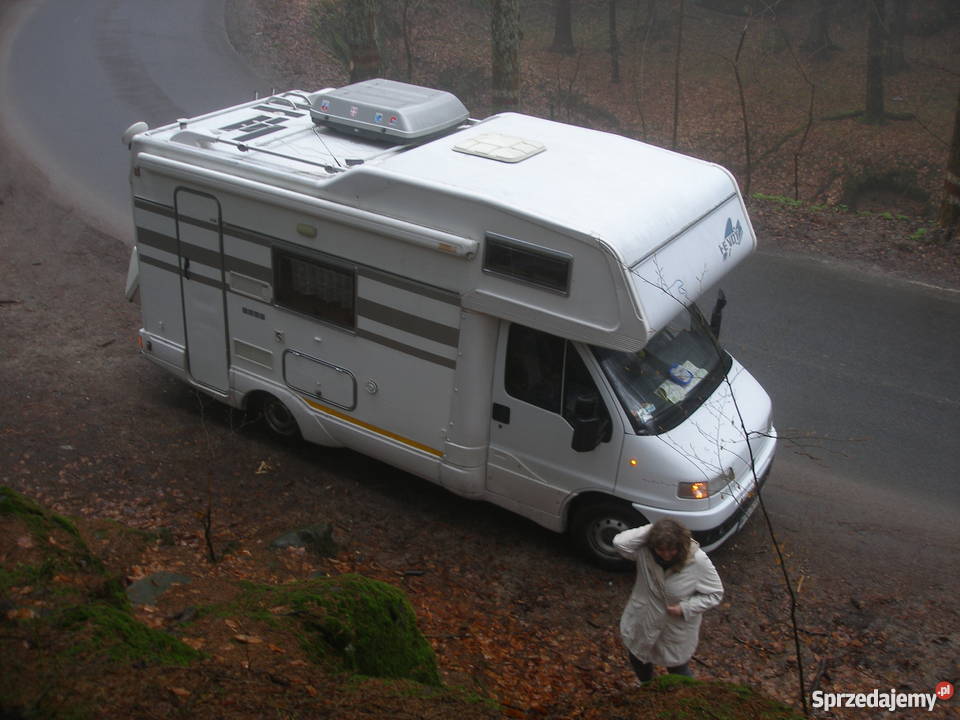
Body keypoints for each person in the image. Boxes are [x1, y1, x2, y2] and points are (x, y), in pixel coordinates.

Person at [613, 518, 724, 683]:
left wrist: (685, 608)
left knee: (677, 668)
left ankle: (685, 700)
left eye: (671, 549)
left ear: (680, 545)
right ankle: (646, 687)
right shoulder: (645, 552)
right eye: (660, 549)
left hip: (674, 628)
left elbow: (715, 593)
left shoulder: (698, 561)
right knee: (638, 656)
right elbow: (620, 543)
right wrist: (654, 528)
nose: (666, 554)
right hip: (644, 619)